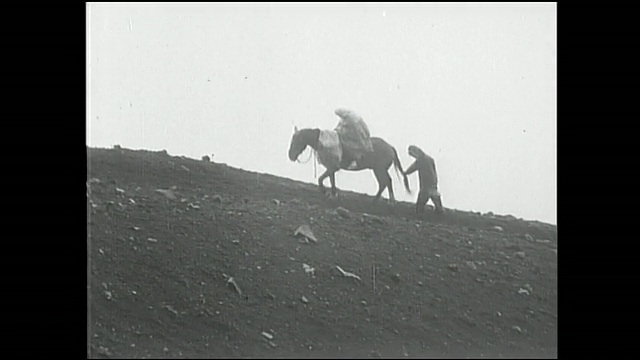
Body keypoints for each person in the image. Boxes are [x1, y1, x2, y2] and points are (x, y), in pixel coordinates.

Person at [404, 145, 444, 214]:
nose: (413, 157)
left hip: (425, 188)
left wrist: (405, 173)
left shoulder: (420, 160)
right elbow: (434, 172)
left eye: (412, 154)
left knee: (419, 208)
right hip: (433, 186)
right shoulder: (430, 159)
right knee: (439, 208)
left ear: (415, 152)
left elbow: (411, 169)